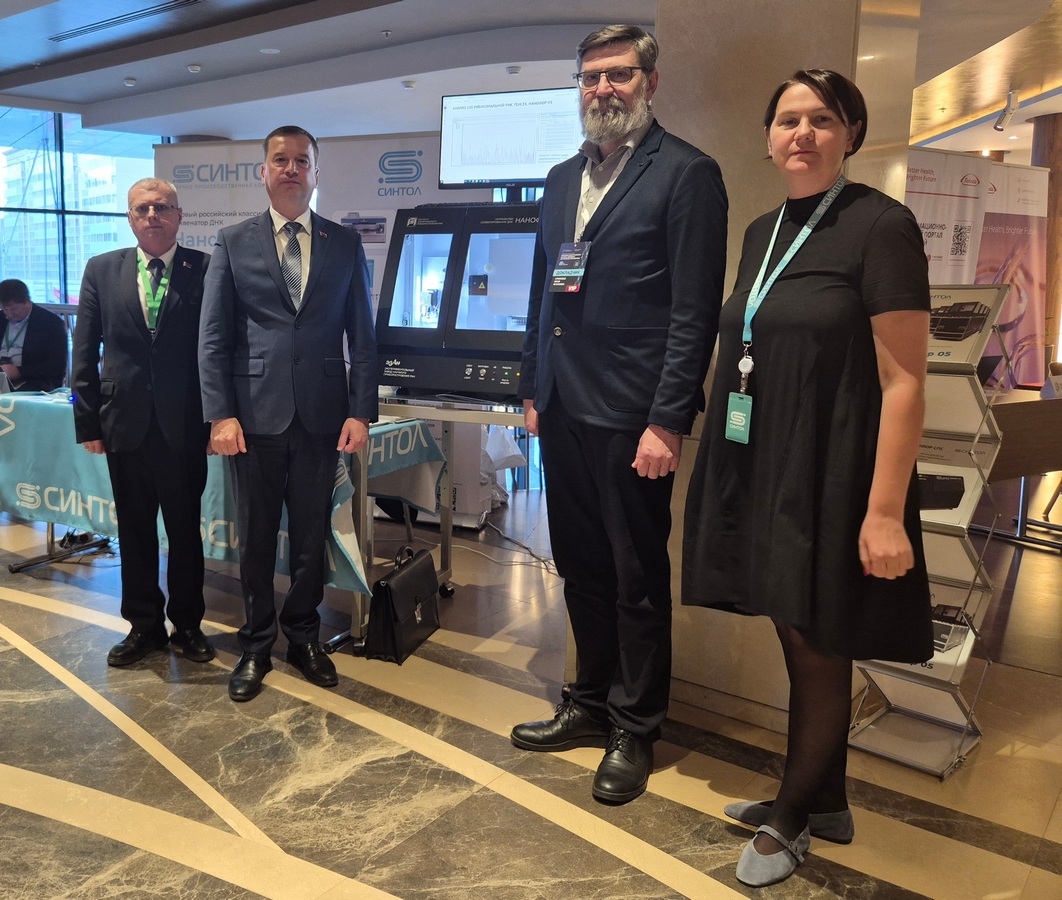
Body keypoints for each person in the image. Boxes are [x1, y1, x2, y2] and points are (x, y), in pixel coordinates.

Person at [682, 69, 933, 887]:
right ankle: (825, 800)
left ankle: (791, 820)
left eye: (822, 119)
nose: (803, 133)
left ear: (851, 134)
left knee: (820, 639)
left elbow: (905, 381)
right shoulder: (763, 231)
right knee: (796, 630)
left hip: (835, 469)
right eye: (787, 119)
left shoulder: (882, 226)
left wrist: (884, 512)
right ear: (767, 138)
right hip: (766, 463)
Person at [510, 25, 728, 804]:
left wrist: (667, 419)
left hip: (635, 417)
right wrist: (532, 390)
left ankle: (635, 726)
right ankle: (590, 701)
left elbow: (693, 311)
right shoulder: (560, 178)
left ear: (650, 83)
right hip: (562, 407)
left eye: (619, 74)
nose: (603, 88)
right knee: (581, 566)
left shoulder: (687, 174)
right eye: (590, 76)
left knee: (636, 575)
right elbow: (544, 294)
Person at [199, 125, 377, 702]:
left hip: (323, 416)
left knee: (309, 534)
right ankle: (255, 643)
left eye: (302, 160)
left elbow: (363, 335)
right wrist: (220, 414)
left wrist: (361, 411)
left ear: (316, 172)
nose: (292, 169)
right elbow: (214, 336)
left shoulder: (343, 243)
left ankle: (303, 636)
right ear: (264, 171)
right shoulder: (233, 241)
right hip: (253, 419)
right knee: (254, 538)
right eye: (281, 159)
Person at [71, 178, 215, 667]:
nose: (153, 215)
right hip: (123, 425)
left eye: (162, 207)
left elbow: (219, 350)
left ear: (179, 215)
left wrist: (218, 418)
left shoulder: (206, 269)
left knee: (185, 531)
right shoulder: (101, 269)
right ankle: (144, 626)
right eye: (142, 209)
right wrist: (87, 422)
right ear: (130, 218)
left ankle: (188, 625)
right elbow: (83, 352)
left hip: (186, 425)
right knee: (133, 532)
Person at [0, 278, 67, 392]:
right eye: (4, 309)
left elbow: (57, 366)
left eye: (13, 309)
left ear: (27, 301)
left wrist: (19, 372)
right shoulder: (1, 318)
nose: (9, 314)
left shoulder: (51, 323)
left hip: (33, 380)